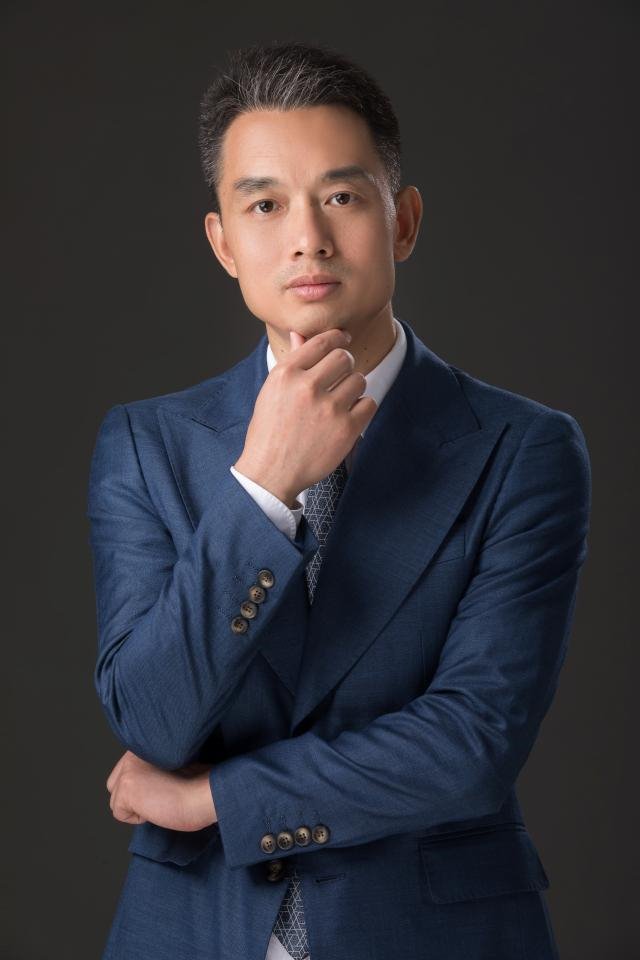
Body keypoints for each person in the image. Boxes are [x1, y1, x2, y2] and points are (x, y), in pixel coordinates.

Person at [87, 39, 591, 960]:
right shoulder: (145, 445)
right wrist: (262, 488)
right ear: (224, 243)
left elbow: (471, 743)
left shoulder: (523, 450)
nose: (308, 239)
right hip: (191, 931)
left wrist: (216, 798)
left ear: (403, 222)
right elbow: (152, 720)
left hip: (431, 933)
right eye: (266, 204)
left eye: (343, 198)